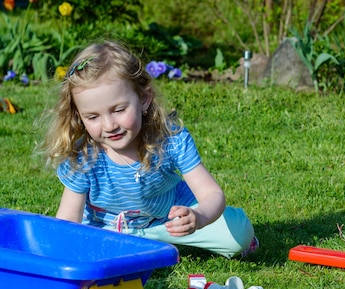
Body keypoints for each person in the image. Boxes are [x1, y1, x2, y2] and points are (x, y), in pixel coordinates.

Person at [40, 40, 257, 259]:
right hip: (106, 229)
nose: (109, 125)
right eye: (93, 117)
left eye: (119, 109)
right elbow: (68, 219)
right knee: (76, 243)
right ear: (80, 116)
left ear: (144, 99)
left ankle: (143, 244)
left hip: (167, 222)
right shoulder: (83, 155)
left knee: (238, 233)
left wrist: (198, 216)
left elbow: (211, 194)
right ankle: (134, 246)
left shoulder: (170, 139)